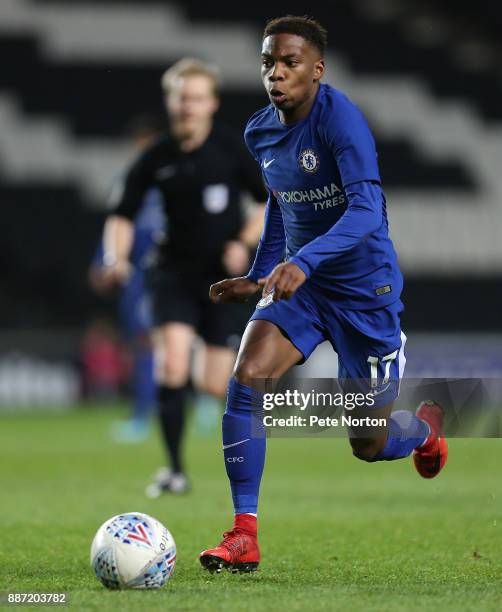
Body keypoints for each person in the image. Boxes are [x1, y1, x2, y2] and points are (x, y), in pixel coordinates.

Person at [199, 15, 448, 574]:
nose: (276, 74)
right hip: (303, 290)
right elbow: (280, 208)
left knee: (368, 442)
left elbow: (365, 211)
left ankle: (425, 431)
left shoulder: (343, 122)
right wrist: (263, 276)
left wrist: (302, 263)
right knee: (247, 377)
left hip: (365, 292)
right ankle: (244, 533)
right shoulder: (259, 131)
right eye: (268, 63)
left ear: (317, 70)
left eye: (289, 63)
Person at [102, 58, 267, 495]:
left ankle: (201, 407)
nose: (188, 106)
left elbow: (269, 204)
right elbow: (120, 215)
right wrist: (115, 258)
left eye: (196, 98)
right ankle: (174, 470)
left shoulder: (231, 150)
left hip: (222, 283)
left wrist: (243, 242)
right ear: (170, 101)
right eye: (181, 97)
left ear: (211, 103)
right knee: (171, 364)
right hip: (171, 272)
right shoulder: (154, 157)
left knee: (213, 384)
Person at [89, 115, 166, 443]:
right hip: (136, 274)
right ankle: (144, 413)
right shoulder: (128, 183)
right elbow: (116, 224)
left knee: (176, 339)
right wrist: (102, 260)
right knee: (143, 343)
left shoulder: (172, 179)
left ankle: (156, 412)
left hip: (170, 269)